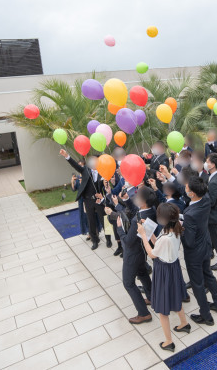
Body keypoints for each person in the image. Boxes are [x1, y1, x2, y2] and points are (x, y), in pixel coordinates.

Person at [136, 203, 190, 352]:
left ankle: (168, 341)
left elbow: (152, 253)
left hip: (164, 271)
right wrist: (149, 232)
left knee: (162, 308)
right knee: (176, 297)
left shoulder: (166, 237)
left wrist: (143, 236)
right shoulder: (175, 228)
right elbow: (157, 243)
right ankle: (184, 323)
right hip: (173, 267)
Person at [182, 176, 217, 325]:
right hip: (206, 244)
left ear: (192, 193)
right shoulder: (205, 199)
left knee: (197, 283)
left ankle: (205, 315)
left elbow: (188, 241)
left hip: (194, 253)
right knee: (209, 275)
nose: (185, 188)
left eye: (187, 187)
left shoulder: (189, 214)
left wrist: (180, 230)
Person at [113, 186, 157, 324]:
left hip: (132, 254)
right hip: (142, 252)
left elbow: (128, 241)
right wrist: (126, 201)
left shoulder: (136, 221)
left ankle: (144, 313)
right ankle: (151, 297)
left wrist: (119, 228)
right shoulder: (151, 210)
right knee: (143, 274)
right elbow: (137, 211)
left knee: (128, 283)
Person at [60, 149, 106, 250]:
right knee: (91, 221)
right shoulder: (85, 170)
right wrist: (67, 155)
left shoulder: (103, 172)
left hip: (99, 200)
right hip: (88, 200)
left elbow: (105, 187)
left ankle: (110, 238)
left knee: (105, 219)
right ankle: (95, 240)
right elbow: (75, 165)